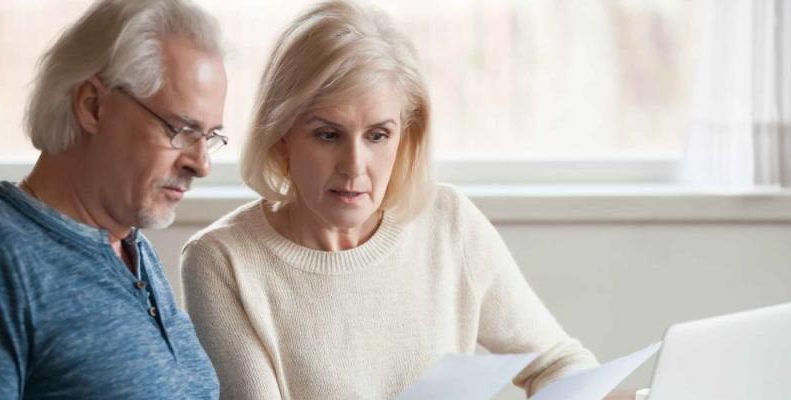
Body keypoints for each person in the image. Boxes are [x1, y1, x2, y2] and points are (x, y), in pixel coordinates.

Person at [180, 1, 599, 399]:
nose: (354, 166)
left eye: (378, 135)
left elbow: (561, 363)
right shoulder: (221, 262)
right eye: (328, 135)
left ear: (405, 135)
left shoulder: (448, 223)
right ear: (282, 135)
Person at [0, 1, 227, 398]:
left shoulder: (132, 248)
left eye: (209, 137)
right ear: (92, 106)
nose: (201, 164)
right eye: (181, 129)